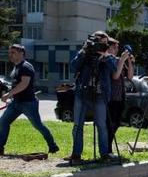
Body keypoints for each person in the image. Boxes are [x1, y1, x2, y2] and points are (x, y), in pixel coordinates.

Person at [0, 44, 59, 156]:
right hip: (16, 103)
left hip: (28, 103)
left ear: (21, 53)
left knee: (38, 125)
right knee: (3, 122)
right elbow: (16, 85)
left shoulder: (26, 67)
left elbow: (24, 84)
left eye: (13, 53)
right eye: (9, 52)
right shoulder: (16, 67)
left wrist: (9, 94)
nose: (10, 55)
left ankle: (53, 146)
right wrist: (11, 96)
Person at [68, 31, 117, 164]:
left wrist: (106, 55)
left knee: (101, 125)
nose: (101, 46)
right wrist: (84, 50)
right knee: (78, 125)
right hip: (82, 93)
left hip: (101, 95)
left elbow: (114, 69)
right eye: (99, 43)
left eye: (104, 43)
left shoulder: (108, 56)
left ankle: (104, 154)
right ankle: (76, 154)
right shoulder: (85, 53)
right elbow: (73, 66)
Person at [107, 40, 134, 156]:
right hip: (111, 97)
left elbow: (130, 76)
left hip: (121, 96)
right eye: (114, 48)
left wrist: (128, 60)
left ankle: (109, 147)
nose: (116, 50)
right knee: (110, 124)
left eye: (117, 48)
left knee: (117, 122)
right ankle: (107, 149)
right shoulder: (108, 60)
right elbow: (115, 76)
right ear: (108, 48)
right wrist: (122, 60)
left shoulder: (118, 60)